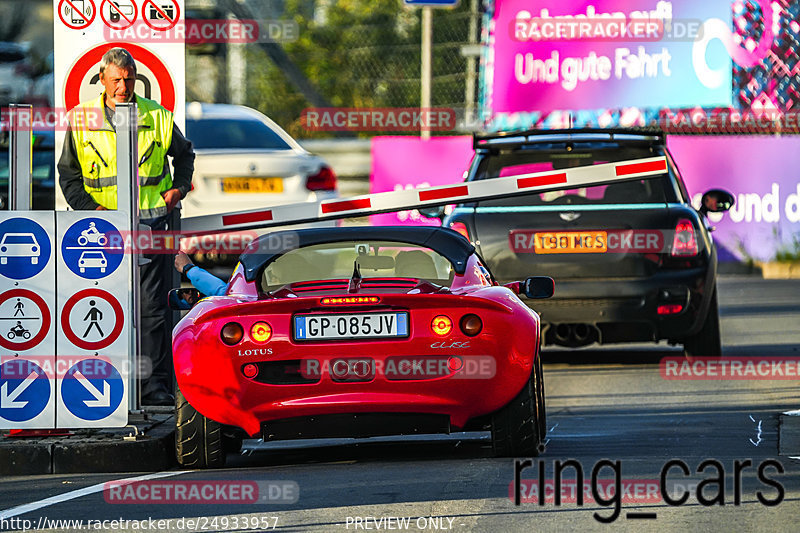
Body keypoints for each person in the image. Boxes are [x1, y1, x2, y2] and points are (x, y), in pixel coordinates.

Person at [58, 47, 195, 406]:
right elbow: (69, 176)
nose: (123, 86)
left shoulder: (158, 116)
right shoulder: (81, 117)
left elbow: (185, 154)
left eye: (129, 79)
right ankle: (108, 386)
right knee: (103, 303)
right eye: (116, 79)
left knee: (153, 309)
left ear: (137, 79)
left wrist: (178, 188)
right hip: (100, 229)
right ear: (101, 79)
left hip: (153, 224)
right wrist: (93, 210)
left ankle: (154, 388)